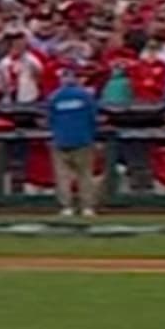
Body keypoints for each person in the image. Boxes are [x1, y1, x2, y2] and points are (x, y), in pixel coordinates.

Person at [46, 67, 102, 219]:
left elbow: (50, 120)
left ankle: (67, 207)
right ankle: (87, 208)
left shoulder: (54, 97)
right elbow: (93, 118)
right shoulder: (85, 96)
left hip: (61, 139)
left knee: (63, 176)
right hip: (83, 139)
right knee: (85, 175)